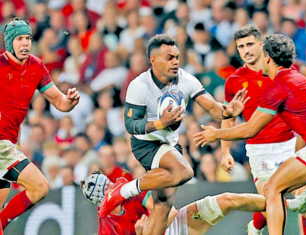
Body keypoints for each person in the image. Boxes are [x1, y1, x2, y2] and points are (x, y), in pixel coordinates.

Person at [104, 34, 249, 234]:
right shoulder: (139, 85)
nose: (176, 62)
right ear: (153, 61)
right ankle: (122, 191)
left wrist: (227, 111)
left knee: (163, 205)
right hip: (147, 144)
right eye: (170, 57)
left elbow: (214, 109)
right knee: (184, 172)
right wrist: (160, 123)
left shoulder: (187, 79)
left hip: (170, 143)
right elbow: (130, 124)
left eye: (177, 56)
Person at [193, 34, 306, 235]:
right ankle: (293, 203)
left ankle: (266, 223)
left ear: (268, 58)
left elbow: (250, 129)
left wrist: (216, 134)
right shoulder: (298, 78)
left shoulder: (279, 86)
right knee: (280, 190)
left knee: (273, 190)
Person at [0, 18, 80, 233]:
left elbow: (60, 102)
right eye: (19, 39)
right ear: (9, 43)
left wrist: (70, 102)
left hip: (8, 143)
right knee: (40, 186)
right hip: (1, 146)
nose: (25, 43)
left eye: (27, 38)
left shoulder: (36, 66)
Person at [80, 171, 306, 235]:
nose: (113, 188)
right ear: (101, 201)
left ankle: (291, 205)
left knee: (228, 200)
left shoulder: (128, 189)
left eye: (110, 183)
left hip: (174, 225)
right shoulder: (107, 229)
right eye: (107, 188)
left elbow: (167, 213)